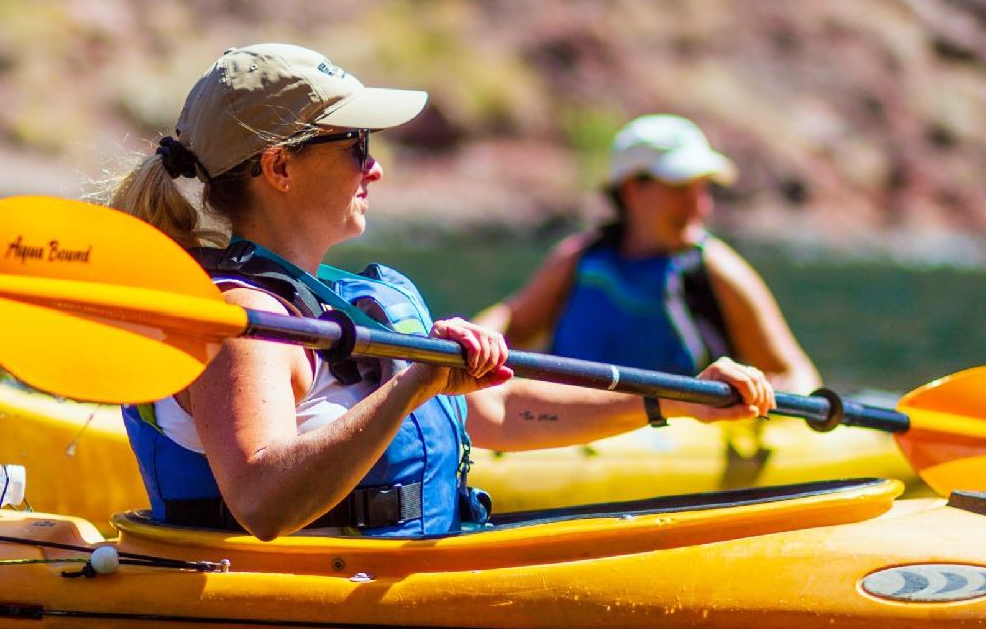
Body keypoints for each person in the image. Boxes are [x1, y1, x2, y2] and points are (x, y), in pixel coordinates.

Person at [109, 44, 773, 541]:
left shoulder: (333, 300)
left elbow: (492, 411)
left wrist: (673, 400)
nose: (375, 166)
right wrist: (411, 385)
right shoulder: (243, 318)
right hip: (300, 599)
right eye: (355, 145)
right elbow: (260, 499)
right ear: (279, 166)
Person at [478, 114, 820, 394]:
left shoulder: (716, 269)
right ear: (630, 189)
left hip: (684, 443)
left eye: (703, 189)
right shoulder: (578, 258)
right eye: (679, 188)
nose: (699, 205)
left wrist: (762, 401)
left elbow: (796, 375)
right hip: (569, 435)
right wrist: (473, 343)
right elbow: (513, 321)